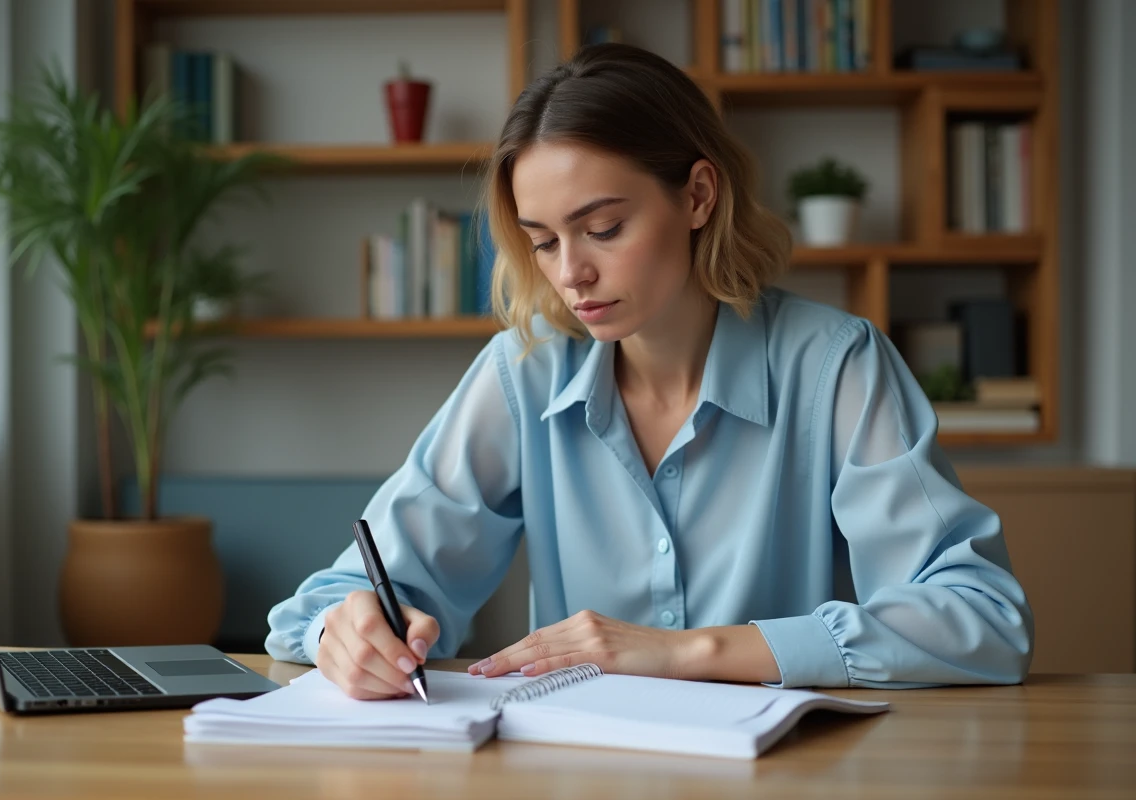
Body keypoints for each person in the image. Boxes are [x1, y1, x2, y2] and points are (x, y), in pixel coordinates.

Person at [265, 43, 1034, 700]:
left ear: (698, 195)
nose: (572, 274)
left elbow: (981, 619)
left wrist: (685, 653)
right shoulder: (525, 369)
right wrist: (354, 628)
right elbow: (326, 603)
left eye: (603, 228)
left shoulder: (835, 366)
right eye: (542, 240)